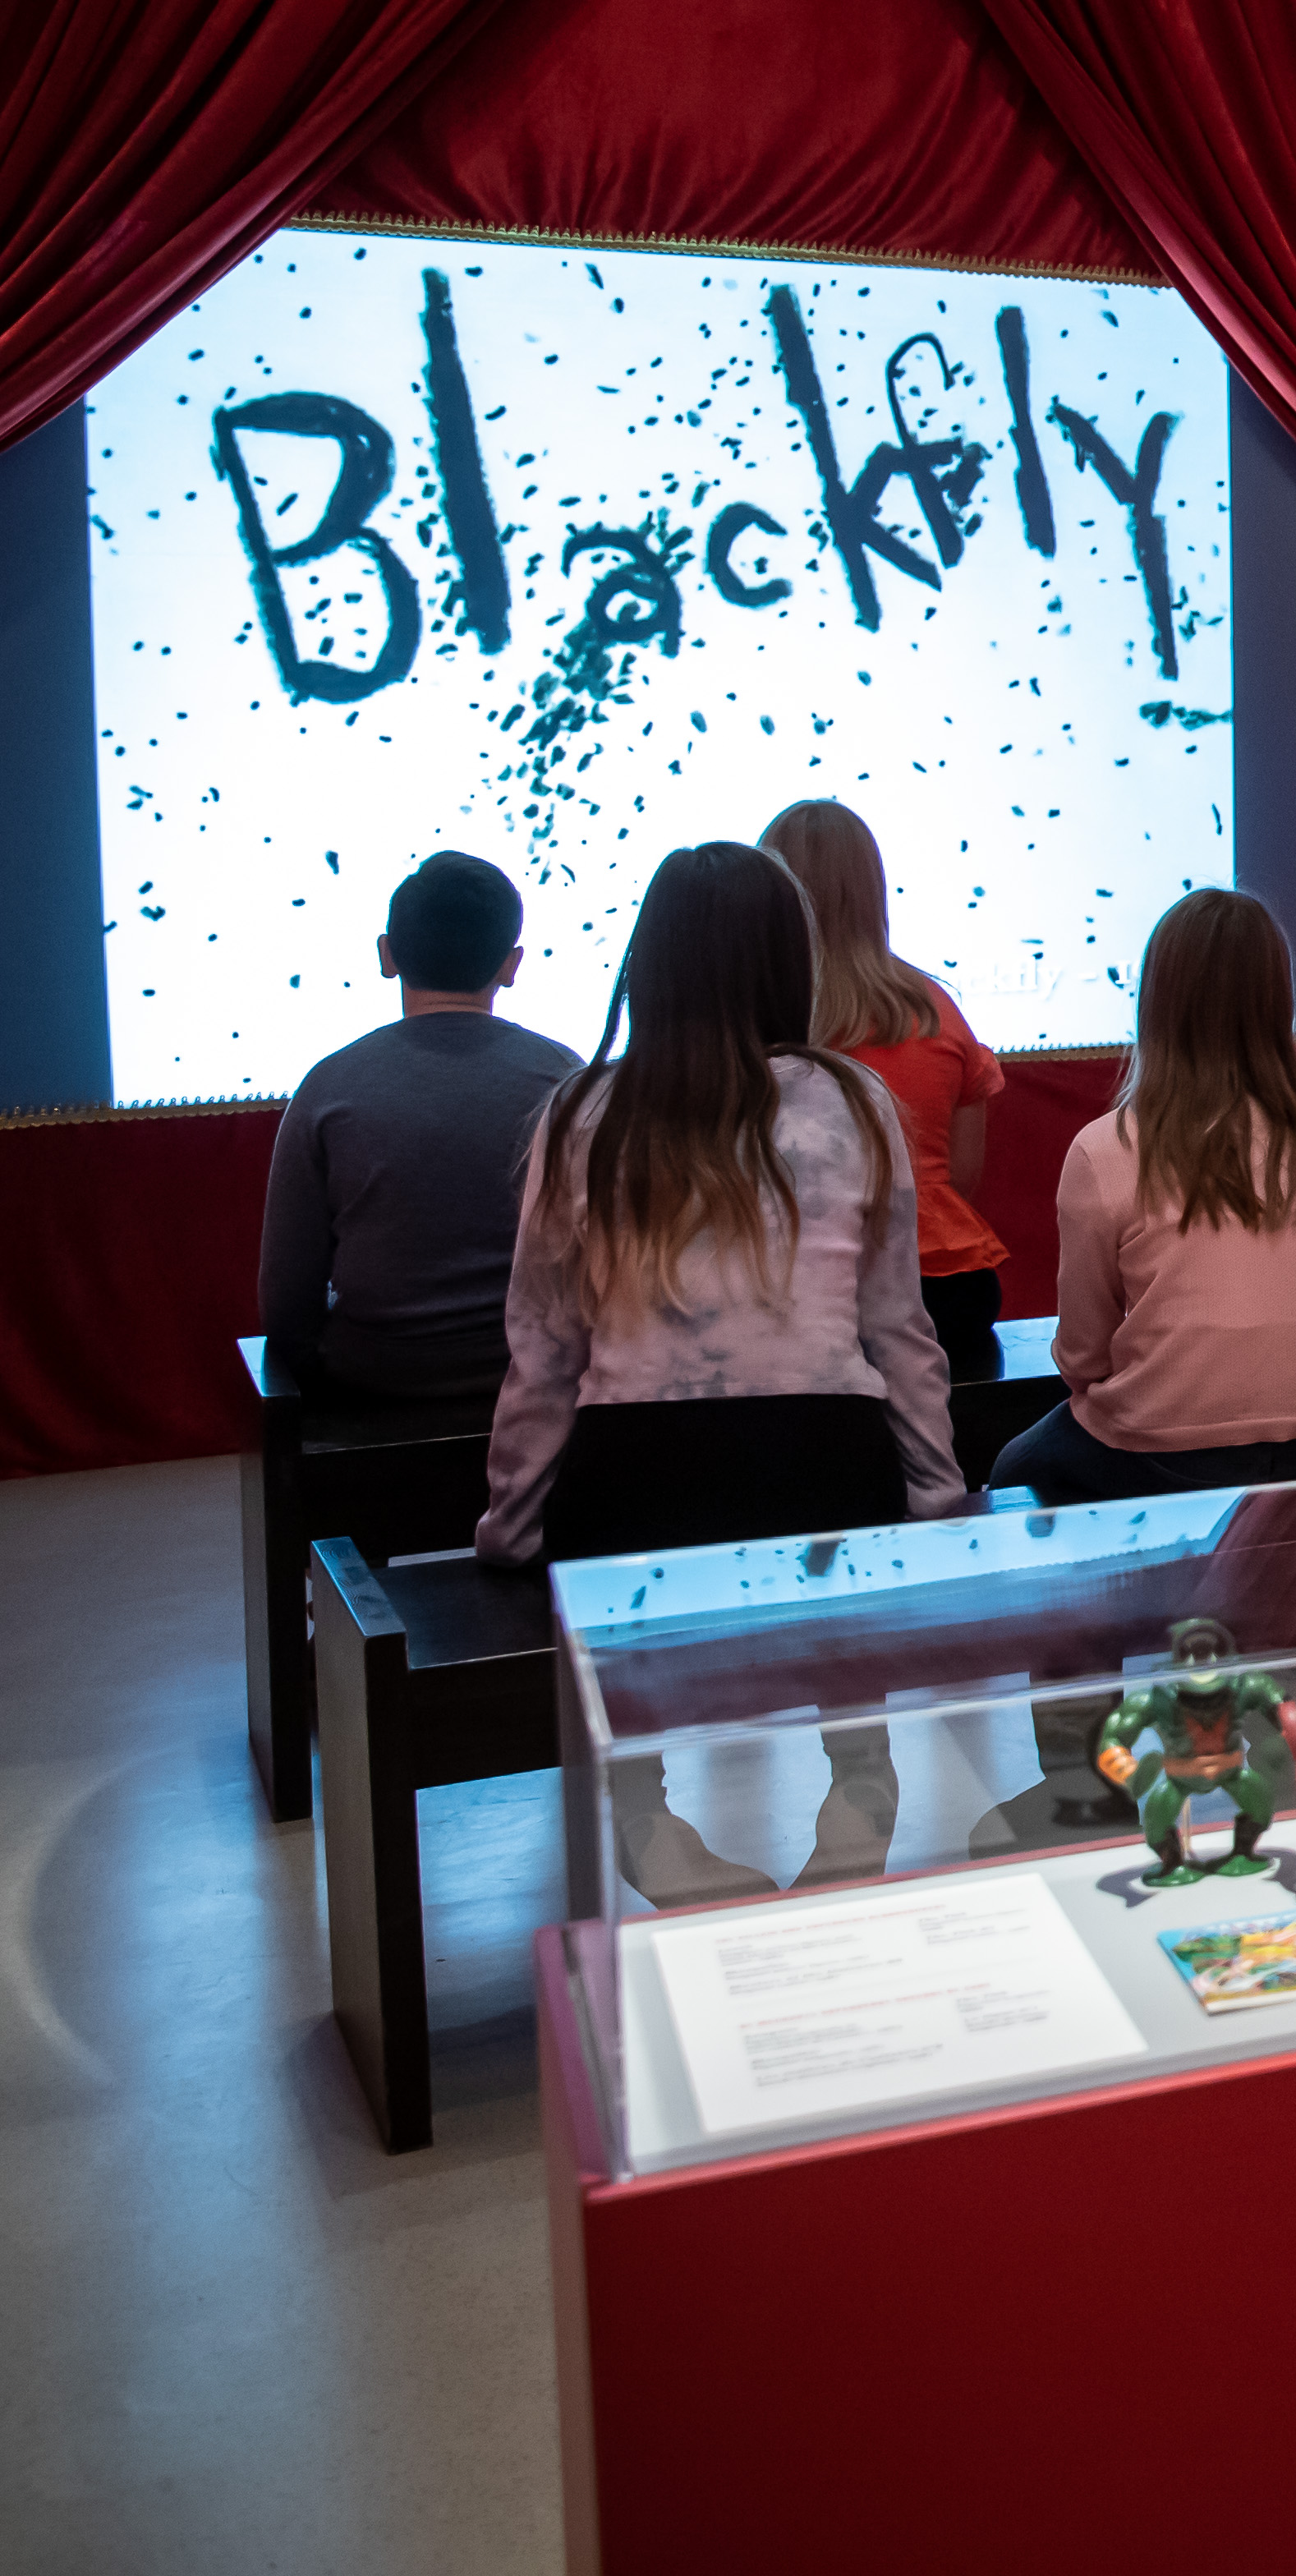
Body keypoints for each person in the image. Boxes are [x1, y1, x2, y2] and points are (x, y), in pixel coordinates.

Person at [477, 841, 958, 1902]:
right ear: (787, 962)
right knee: (859, 1712)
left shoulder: (581, 1114)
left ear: (649, 963)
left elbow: (545, 1350)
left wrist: (514, 1522)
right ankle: (854, 1817)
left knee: (623, 1768)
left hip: (638, 1486)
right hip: (825, 1469)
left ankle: (663, 1846)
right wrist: (934, 1495)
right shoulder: (855, 1102)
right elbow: (897, 1330)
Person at [992, 888, 1296, 1507]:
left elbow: (1083, 1359)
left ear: (1156, 1000)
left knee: (1011, 1467)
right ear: (1277, 996)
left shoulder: (1107, 1148)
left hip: (1164, 1454)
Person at [254, 851, 577, 1405]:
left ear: (387, 954)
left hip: (376, 1382)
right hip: (539, 1381)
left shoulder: (328, 1088)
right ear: (511, 964)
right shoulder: (567, 1079)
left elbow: (286, 1298)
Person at [757, 799, 1013, 1370]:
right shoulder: (940, 1010)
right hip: (948, 1287)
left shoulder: (765, 1021)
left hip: (809, 1293)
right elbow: (960, 1179)